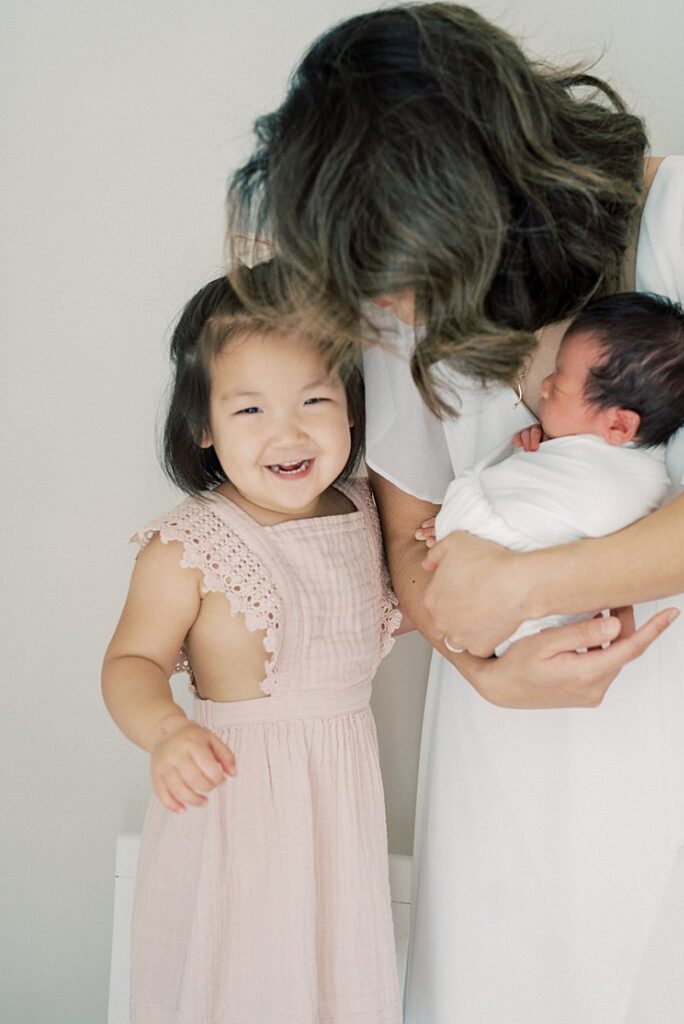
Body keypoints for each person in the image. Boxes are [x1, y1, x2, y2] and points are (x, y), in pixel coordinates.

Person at [228, 5, 684, 1021]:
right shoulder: (400, 297)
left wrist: (524, 583)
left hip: (682, 704)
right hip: (498, 747)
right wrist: (485, 668)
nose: (399, 306)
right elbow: (407, 539)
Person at [102, 265, 403, 1024]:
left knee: (332, 981)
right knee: (236, 979)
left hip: (338, 815)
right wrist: (166, 730)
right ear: (204, 425)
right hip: (234, 809)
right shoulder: (190, 545)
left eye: (314, 400)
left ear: (352, 409)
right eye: (250, 409)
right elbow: (129, 663)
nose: (288, 431)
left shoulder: (367, 512)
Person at [421, 292, 684, 655]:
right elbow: (537, 494)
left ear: (619, 425)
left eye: (557, 384)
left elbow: (543, 517)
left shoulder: (624, 483)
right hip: (504, 600)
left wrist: (460, 520)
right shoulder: (619, 459)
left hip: (514, 602)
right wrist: (537, 451)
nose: (544, 385)